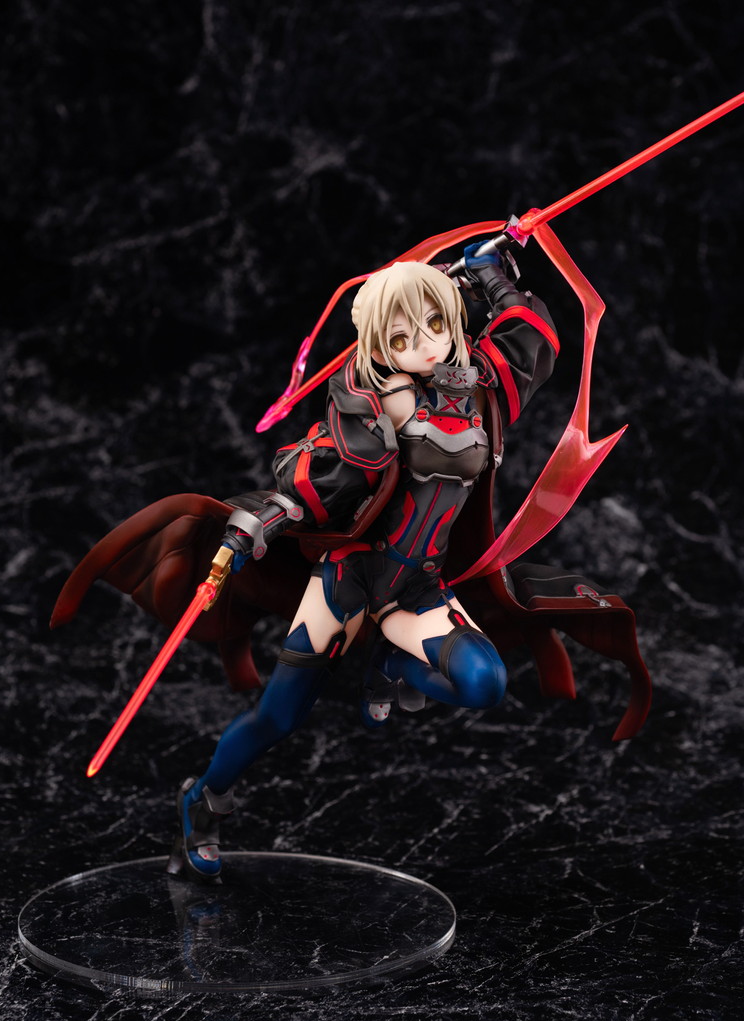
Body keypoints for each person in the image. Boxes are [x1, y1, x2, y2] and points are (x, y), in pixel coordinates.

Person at [168, 239, 560, 881]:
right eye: (403, 337)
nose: (426, 344)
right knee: (279, 716)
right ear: (380, 347)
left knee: (484, 683)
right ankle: (203, 801)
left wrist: (489, 273)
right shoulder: (371, 406)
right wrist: (258, 521)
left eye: (435, 324)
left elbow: (530, 338)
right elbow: (315, 485)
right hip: (352, 579)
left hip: (417, 587)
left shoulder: (481, 387)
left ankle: (391, 661)